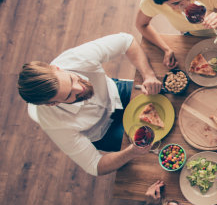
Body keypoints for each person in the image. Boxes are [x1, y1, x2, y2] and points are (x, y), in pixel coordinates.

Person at [17, 32, 162, 176]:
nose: (81, 88)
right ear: (53, 104)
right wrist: (131, 152)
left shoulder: (76, 58)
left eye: (72, 79)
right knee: (154, 152)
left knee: (165, 99)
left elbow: (126, 41)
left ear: (57, 69)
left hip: (116, 92)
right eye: (70, 95)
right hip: (105, 132)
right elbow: (94, 166)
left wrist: (148, 75)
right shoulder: (54, 123)